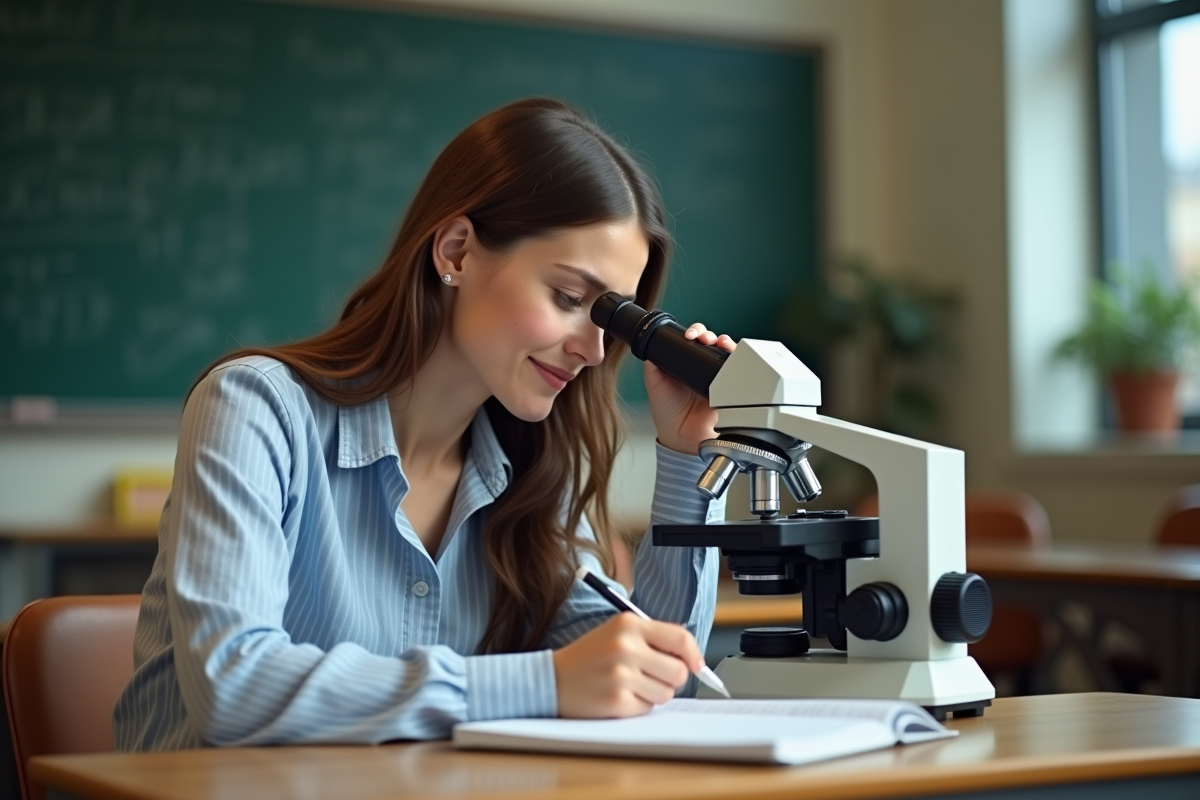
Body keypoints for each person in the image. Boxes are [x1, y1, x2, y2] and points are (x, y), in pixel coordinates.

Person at [113, 98, 735, 750]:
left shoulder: (534, 474)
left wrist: (688, 455)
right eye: (568, 299)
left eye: (606, 319)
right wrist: (542, 683)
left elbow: (657, 677)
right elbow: (233, 688)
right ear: (458, 251)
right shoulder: (254, 410)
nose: (593, 349)